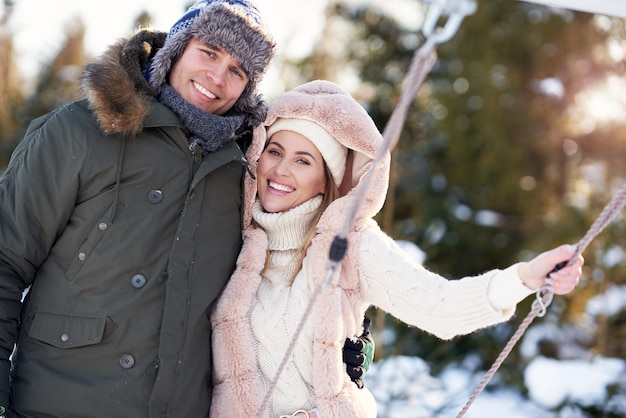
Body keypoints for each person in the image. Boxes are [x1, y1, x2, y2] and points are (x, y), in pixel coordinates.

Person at [0, 2, 371, 417]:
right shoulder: (81, 132)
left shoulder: (244, 171)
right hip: (59, 403)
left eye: (238, 71)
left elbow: (283, 269)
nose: (217, 76)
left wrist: (342, 333)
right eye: (208, 52)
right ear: (175, 49)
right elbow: (5, 261)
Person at [209, 79, 585, 418]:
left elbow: (440, 306)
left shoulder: (350, 245)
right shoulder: (231, 234)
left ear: (327, 181)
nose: (280, 170)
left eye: (303, 160)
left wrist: (523, 278)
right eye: (275, 151)